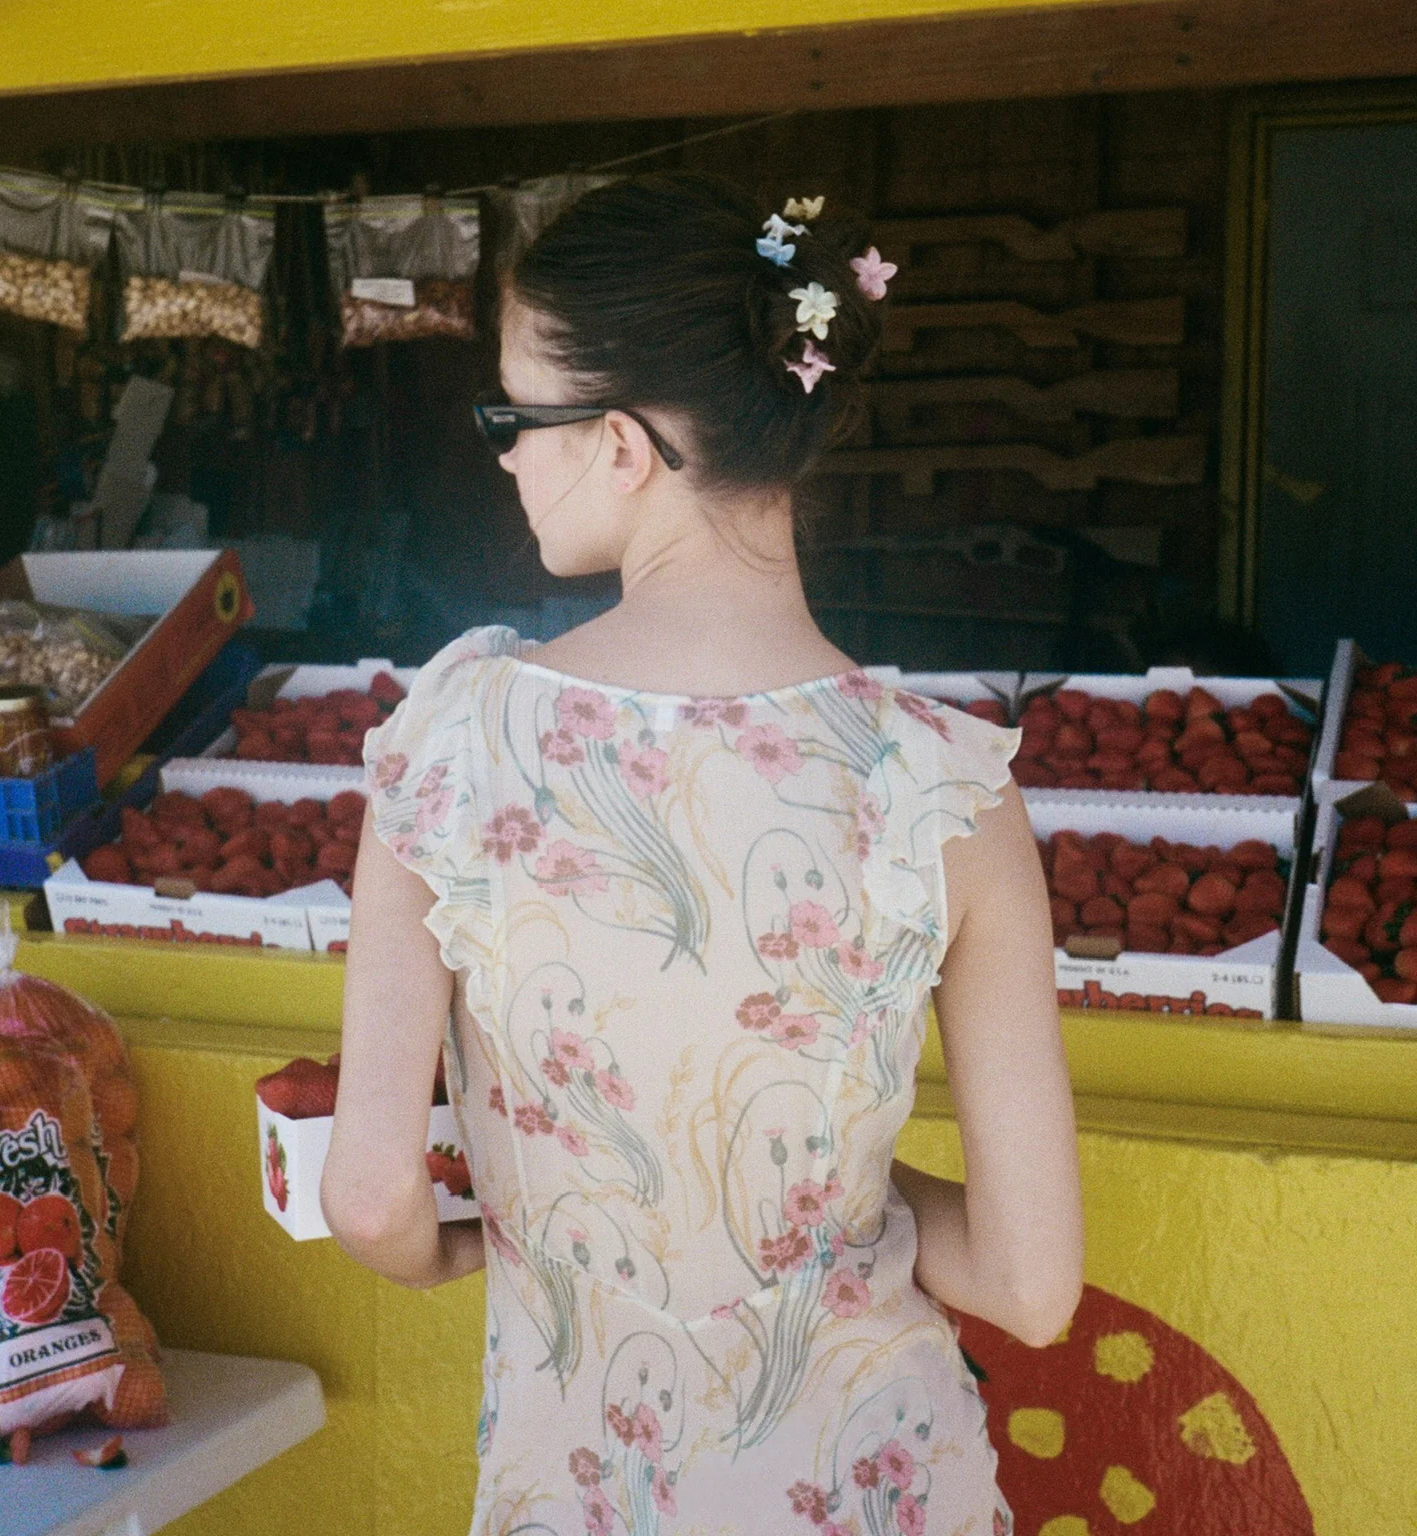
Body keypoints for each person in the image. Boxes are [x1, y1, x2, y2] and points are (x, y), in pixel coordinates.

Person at [323, 174, 1082, 1536]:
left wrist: (470, 1237)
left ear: (620, 445)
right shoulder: (948, 789)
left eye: (514, 418)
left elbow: (370, 1194)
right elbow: (1032, 1287)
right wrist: (819, 1183)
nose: (502, 456)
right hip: (885, 1493)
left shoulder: (449, 747)